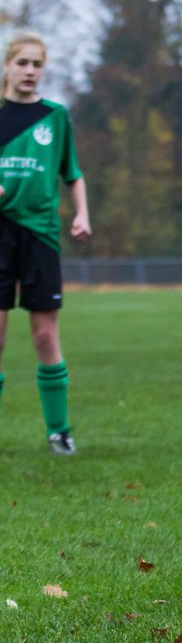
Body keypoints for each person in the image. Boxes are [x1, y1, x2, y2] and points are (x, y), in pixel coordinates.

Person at [0, 31, 91, 455]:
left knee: (43, 336)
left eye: (37, 64)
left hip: (40, 234)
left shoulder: (55, 116)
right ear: (7, 66)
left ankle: (59, 431)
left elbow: (72, 172)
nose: (30, 71)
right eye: (23, 63)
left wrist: (82, 214)